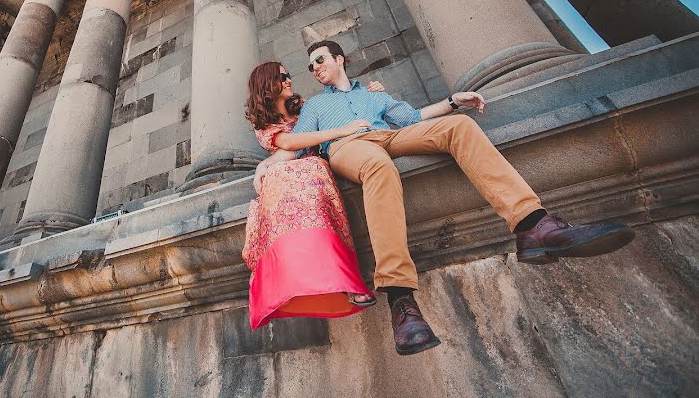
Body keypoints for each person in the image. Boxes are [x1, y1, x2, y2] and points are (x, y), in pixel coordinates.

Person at [259, 39, 635, 355]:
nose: (314, 68)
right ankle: (400, 298)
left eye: (320, 60)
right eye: (309, 66)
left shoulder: (377, 95)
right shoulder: (316, 107)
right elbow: (294, 146)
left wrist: (454, 101)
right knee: (379, 168)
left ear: (339, 59)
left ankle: (533, 225)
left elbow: (413, 117)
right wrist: (264, 167)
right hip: (348, 147)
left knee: (457, 128)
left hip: (387, 135)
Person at [243, 61, 380, 329]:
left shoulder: (305, 106)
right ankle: (290, 281)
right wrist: (266, 165)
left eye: (289, 74)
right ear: (267, 82)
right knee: (284, 177)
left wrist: (367, 96)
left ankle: (344, 281)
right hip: (293, 176)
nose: (289, 80)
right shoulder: (263, 123)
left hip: (319, 166)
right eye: (283, 76)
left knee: (310, 168)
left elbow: (338, 111)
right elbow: (290, 144)